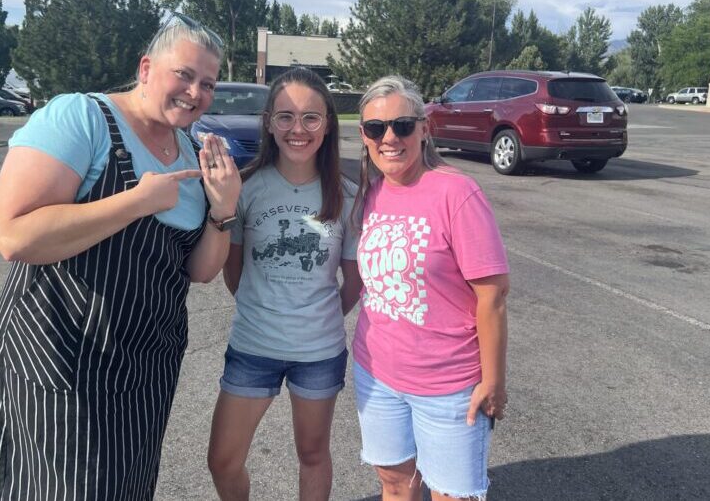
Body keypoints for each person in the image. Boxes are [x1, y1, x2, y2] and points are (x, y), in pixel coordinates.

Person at [0, 13, 241, 500]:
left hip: (146, 367)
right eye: (183, 74)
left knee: (128, 486)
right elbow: (14, 236)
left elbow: (200, 271)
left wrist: (224, 209)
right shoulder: (81, 117)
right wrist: (137, 201)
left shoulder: (192, 151)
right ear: (146, 69)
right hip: (61, 360)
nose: (195, 92)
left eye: (207, 83)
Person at [206, 67, 363, 501]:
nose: (298, 129)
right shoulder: (248, 188)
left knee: (312, 453)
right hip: (253, 346)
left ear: (327, 124)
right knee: (223, 459)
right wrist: (265, 307)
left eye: (311, 117)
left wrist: (318, 315)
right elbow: (232, 271)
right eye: (286, 117)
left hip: (318, 351)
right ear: (269, 123)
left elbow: (352, 283)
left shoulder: (346, 194)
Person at [351, 76, 510, 501]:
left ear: (423, 128)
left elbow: (492, 296)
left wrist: (493, 380)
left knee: (450, 496)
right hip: (377, 375)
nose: (389, 138)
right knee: (395, 485)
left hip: (449, 386)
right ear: (363, 136)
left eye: (402, 125)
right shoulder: (372, 192)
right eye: (375, 128)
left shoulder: (457, 192)